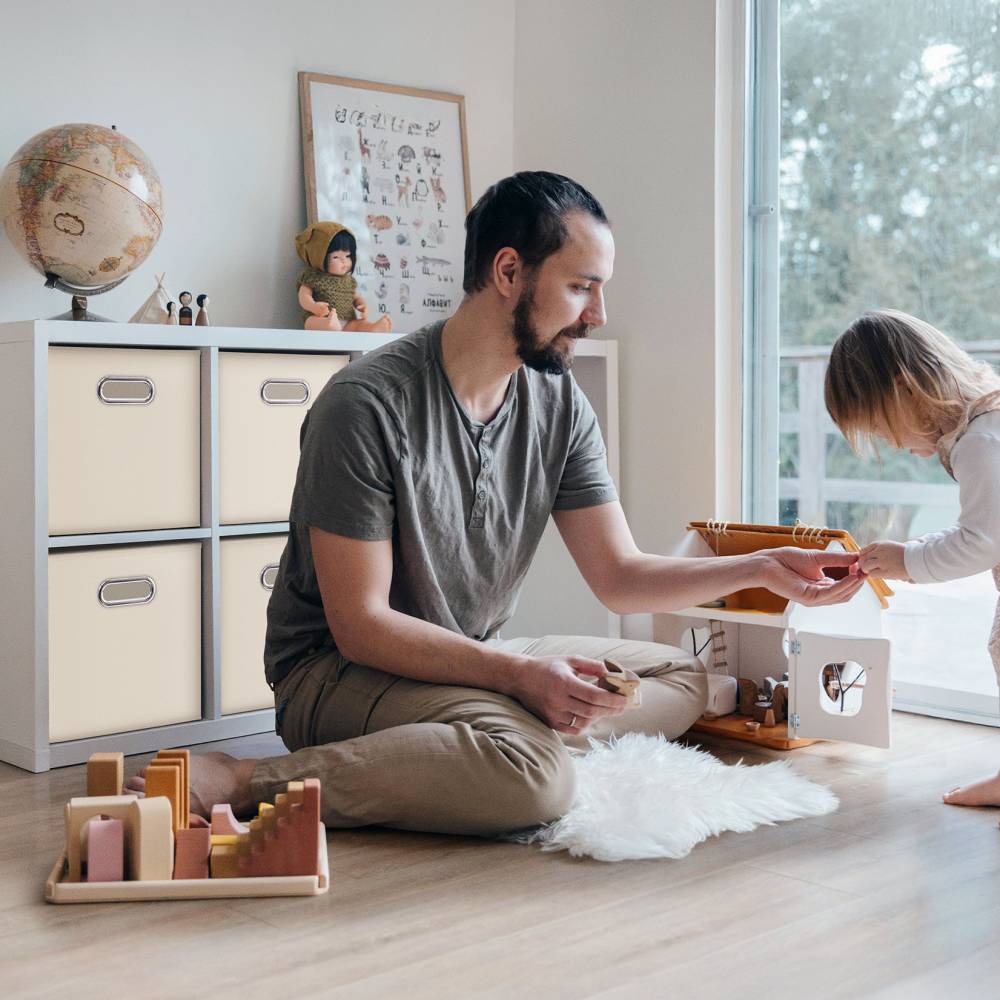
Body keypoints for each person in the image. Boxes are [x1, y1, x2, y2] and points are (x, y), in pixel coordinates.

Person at [128, 172, 862, 834]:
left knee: (681, 679)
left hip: (469, 659)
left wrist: (759, 568)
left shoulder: (559, 404)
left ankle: (482, 737)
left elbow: (619, 576)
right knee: (537, 780)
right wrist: (517, 679)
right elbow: (361, 627)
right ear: (509, 271)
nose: (598, 313)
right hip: (338, 675)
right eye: (581, 287)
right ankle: (250, 778)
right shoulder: (366, 405)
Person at [825, 308, 1000, 808]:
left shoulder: (981, 440)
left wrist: (910, 561)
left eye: (883, 431)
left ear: (906, 390)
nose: (893, 445)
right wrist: (910, 553)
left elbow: (982, 542)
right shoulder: (986, 427)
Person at [296, 221, 392, 333]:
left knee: (360, 324)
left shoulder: (349, 281)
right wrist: (313, 306)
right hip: (321, 317)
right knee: (311, 322)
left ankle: (372, 329)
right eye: (336, 257)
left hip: (348, 322)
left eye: (347, 256)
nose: (344, 261)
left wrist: (361, 305)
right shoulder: (312, 277)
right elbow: (304, 297)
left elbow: (355, 297)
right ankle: (329, 324)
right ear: (317, 257)